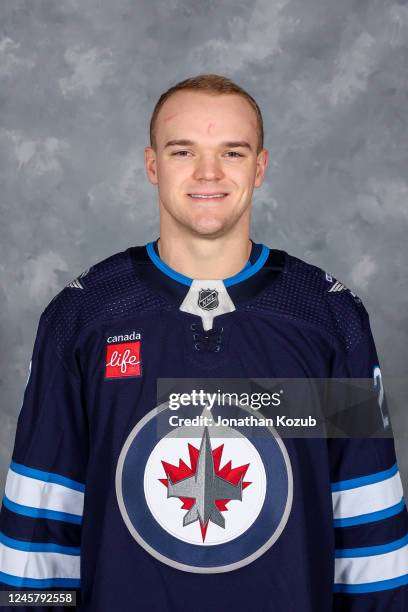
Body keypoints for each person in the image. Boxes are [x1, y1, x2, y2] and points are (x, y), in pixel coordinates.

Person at [0, 73, 407, 611]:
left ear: (259, 167)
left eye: (232, 152)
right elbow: (41, 524)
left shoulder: (328, 317)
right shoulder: (83, 317)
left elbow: (366, 522)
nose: (208, 173)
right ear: (152, 165)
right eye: (183, 150)